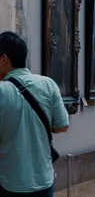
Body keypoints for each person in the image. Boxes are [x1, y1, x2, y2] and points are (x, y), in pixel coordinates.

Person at [0, 32, 70, 196]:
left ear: (4, 59)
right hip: (43, 180)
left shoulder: (2, 91)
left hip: (9, 182)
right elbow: (62, 126)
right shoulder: (48, 84)